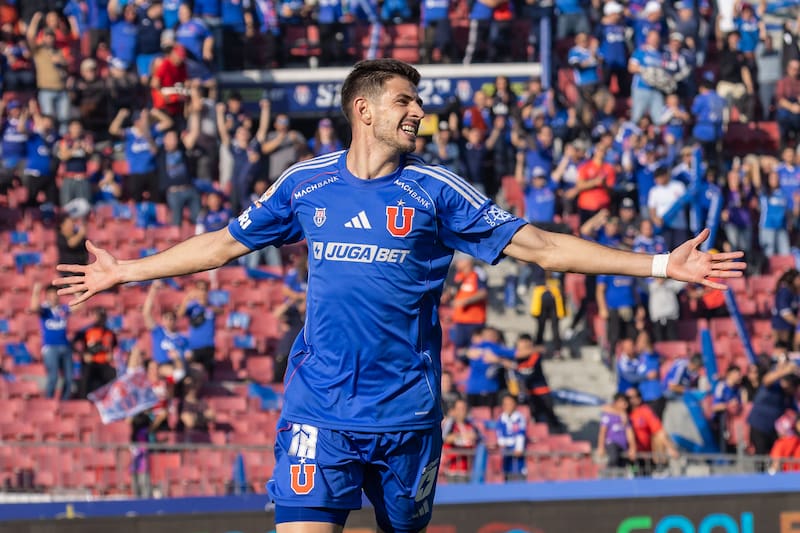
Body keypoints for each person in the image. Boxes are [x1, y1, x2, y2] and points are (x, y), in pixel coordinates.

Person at [55, 59, 745, 533]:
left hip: (406, 417)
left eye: (420, 103)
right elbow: (220, 245)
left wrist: (659, 265)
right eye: (404, 102)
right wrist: (127, 271)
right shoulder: (306, 184)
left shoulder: (437, 190)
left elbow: (543, 247)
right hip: (319, 408)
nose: (419, 113)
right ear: (364, 110)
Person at [30, 282, 73, 399]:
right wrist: (36, 292)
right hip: (50, 347)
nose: (54, 297)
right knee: (53, 377)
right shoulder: (45, 309)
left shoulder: (63, 309)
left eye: (55, 294)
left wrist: (78, 290)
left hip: (65, 346)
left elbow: (79, 306)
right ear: (47, 296)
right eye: (51, 294)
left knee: (69, 378)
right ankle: (48, 402)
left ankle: (64, 404)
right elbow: (34, 308)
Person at [73, 306, 117, 399]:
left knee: (114, 377)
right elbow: (73, 344)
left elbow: (114, 347)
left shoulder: (110, 332)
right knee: (84, 379)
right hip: (90, 362)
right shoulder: (86, 330)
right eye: (98, 316)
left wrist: (112, 354)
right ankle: (83, 402)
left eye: (102, 316)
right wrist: (83, 355)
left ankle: (110, 402)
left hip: (104, 363)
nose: (100, 319)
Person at [598, 393, 637, 469]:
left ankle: (636, 478)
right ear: (616, 402)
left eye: (626, 402)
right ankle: (607, 476)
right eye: (622, 401)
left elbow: (630, 433)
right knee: (614, 458)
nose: (625, 404)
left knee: (633, 464)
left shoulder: (626, 417)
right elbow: (602, 432)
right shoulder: (608, 415)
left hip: (624, 446)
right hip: (612, 443)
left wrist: (633, 447)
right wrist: (601, 446)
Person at [495, 393, 527, 481]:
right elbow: (500, 439)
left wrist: (518, 447)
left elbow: (520, 435)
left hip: (518, 458)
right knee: (507, 476)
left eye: (510, 403)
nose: (507, 406)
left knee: (519, 476)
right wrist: (509, 442)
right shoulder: (501, 419)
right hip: (506, 456)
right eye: (505, 404)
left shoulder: (519, 418)